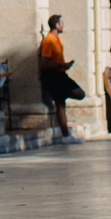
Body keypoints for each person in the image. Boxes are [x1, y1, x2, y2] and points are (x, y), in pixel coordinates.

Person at [37, 13, 86, 142]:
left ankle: (66, 135)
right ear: (57, 25)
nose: (63, 26)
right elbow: (44, 63)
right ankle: (65, 135)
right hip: (53, 75)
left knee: (73, 97)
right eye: (62, 23)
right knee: (61, 103)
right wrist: (61, 65)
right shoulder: (49, 41)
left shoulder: (57, 39)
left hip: (60, 73)